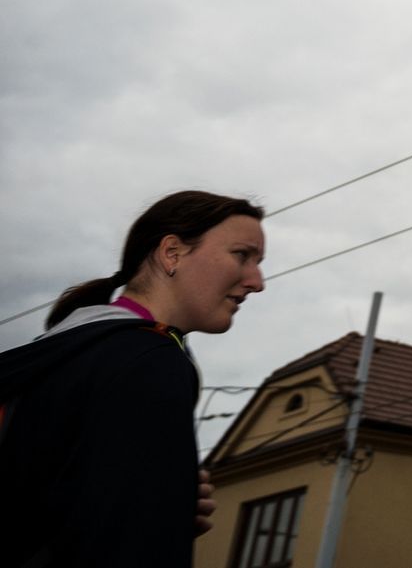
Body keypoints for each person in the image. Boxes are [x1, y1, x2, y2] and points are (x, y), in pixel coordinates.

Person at [0, 190, 267, 568]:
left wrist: (159, 503)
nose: (257, 281)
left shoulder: (64, 351)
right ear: (172, 253)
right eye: (242, 255)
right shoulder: (150, 361)